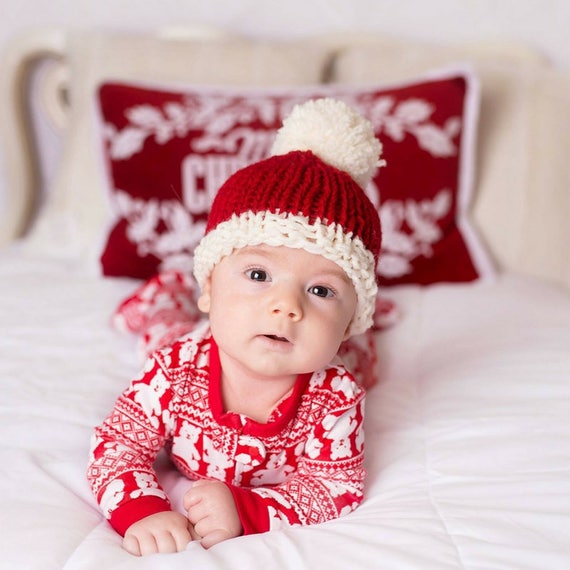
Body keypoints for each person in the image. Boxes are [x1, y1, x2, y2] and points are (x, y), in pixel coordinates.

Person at [87, 98, 384, 556]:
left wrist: (245, 509)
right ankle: (162, 295)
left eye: (321, 291)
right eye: (259, 275)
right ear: (209, 287)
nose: (286, 307)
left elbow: (333, 488)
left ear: (347, 323)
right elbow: (117, 444)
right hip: (189, 340)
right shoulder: (173, 372)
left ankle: (368, 322)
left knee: (366, 364)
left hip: (343, 352)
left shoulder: (337, 399)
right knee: (163, 329)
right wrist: (143, 509)